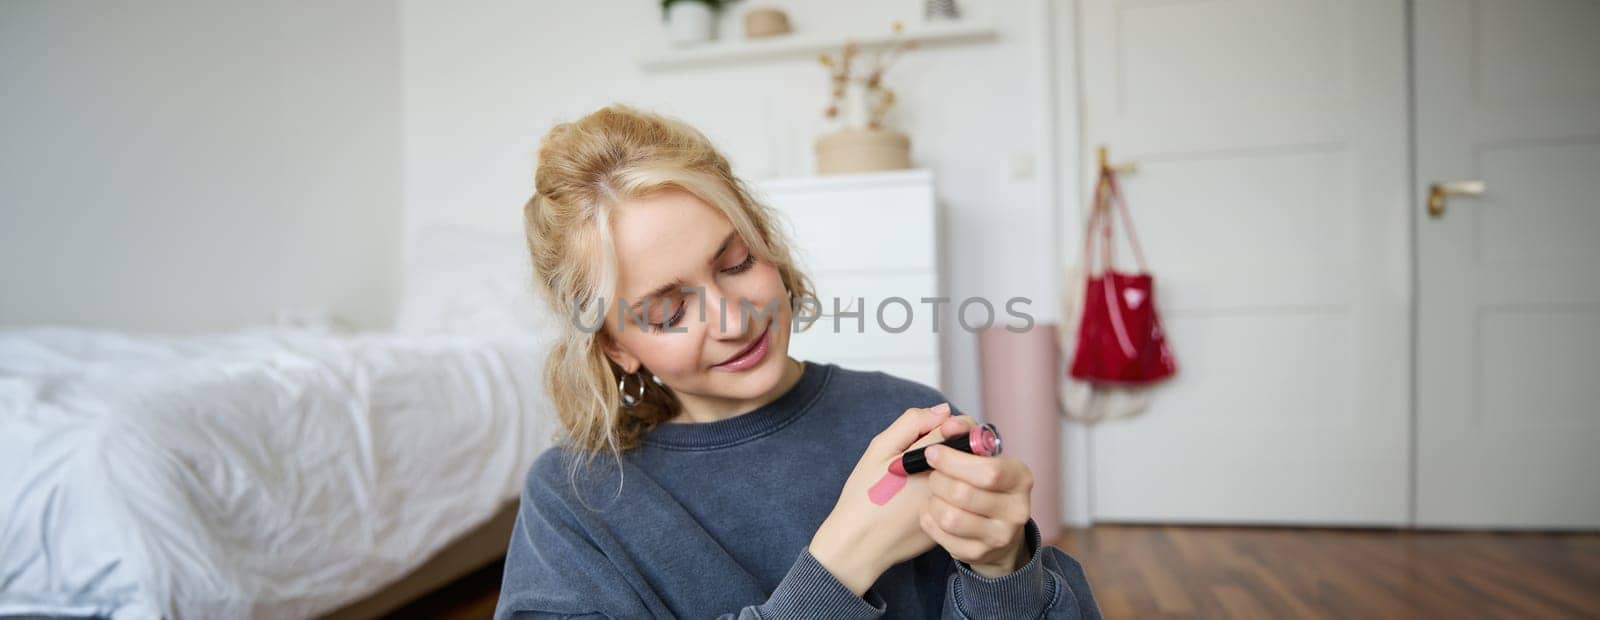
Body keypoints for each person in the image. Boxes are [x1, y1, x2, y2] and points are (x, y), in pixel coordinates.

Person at [494, 104, 1101, 619]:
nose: (734, 320)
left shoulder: (900, 416)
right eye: (667, 312)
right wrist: (842, 563)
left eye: (736, 264)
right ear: (616, 346)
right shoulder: (576, 501)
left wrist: (1005, 569)